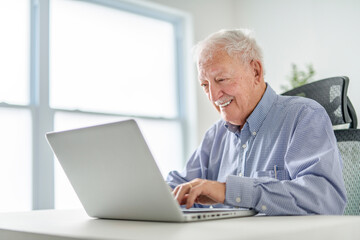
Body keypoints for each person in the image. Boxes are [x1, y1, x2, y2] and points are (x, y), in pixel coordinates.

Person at [167, 29, 347, 215]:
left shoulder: (304, 116)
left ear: (256, 71)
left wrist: (229, 191)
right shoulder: (215, 136)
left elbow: (325, 201)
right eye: (205, 85)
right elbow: (180, 188)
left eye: (221, 79)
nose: (213, 95)